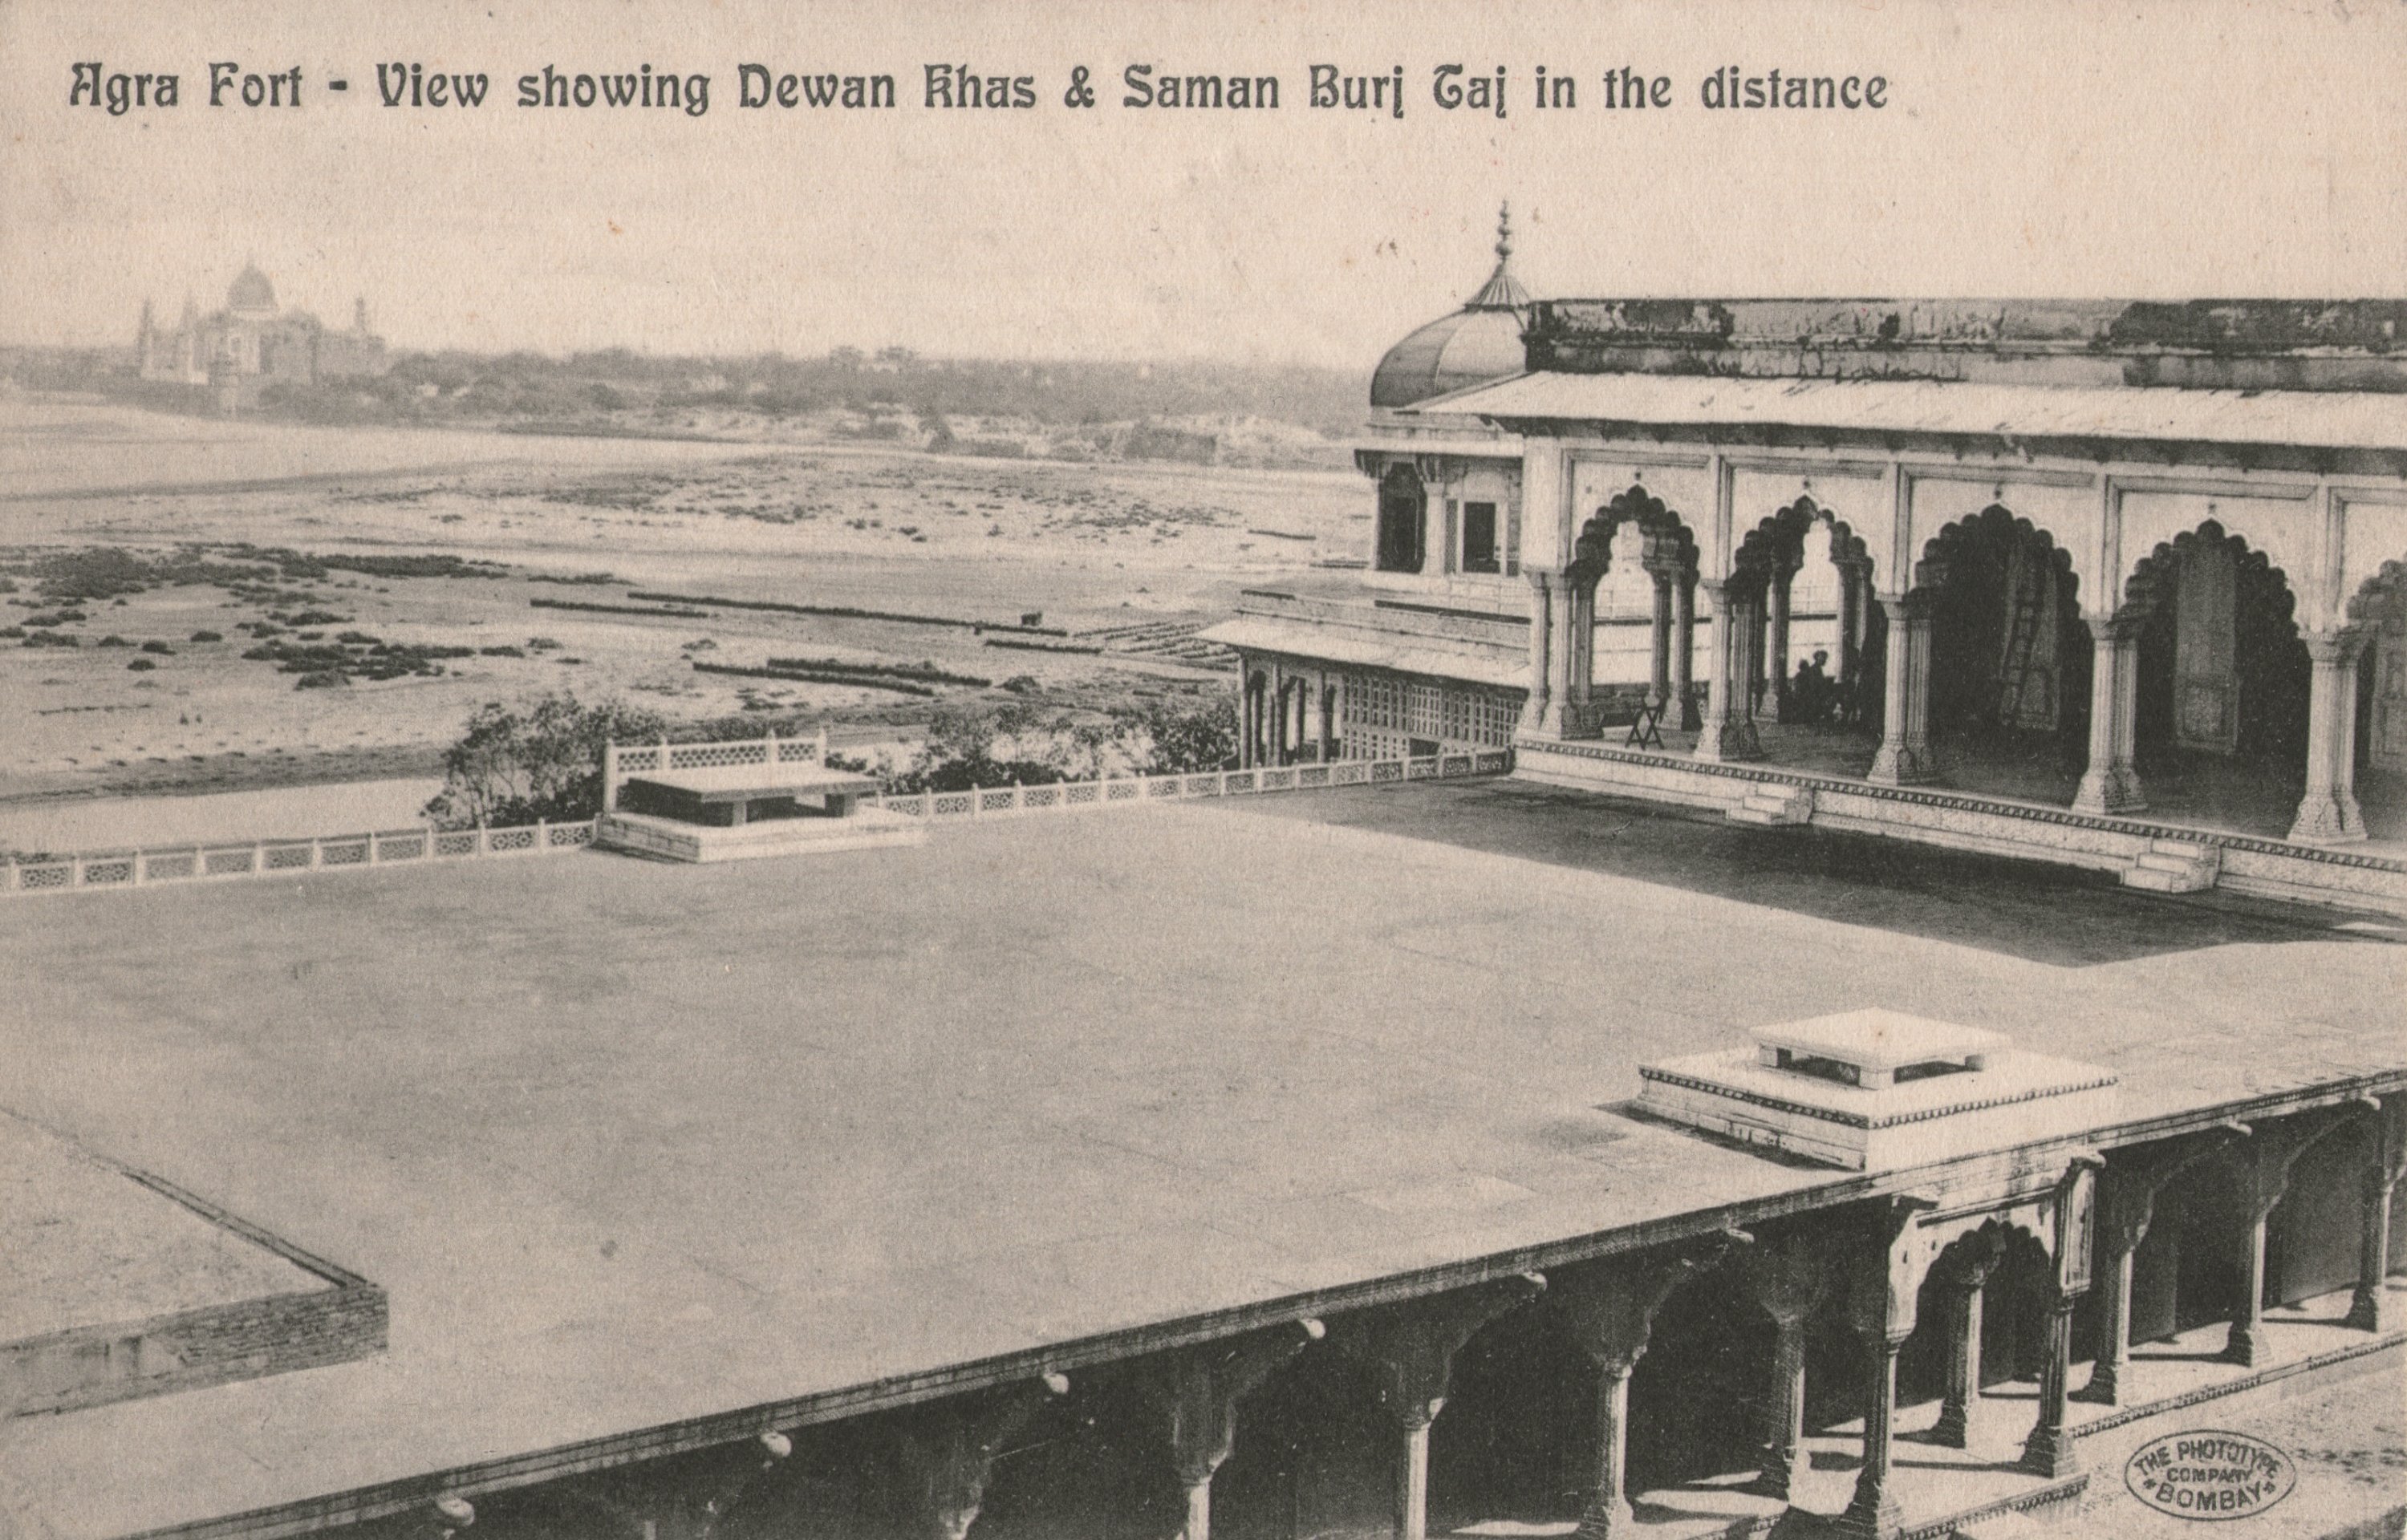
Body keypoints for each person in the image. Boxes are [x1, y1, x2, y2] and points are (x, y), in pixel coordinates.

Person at [1792, 650, 1831, 723]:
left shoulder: (1818, 669)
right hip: (1811, 695)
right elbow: (1813, 685)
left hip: (1813, 693)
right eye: (1823, 658)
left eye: (1825, 658)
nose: (1825, 660)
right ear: (1818, 658)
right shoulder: (1814, 669)